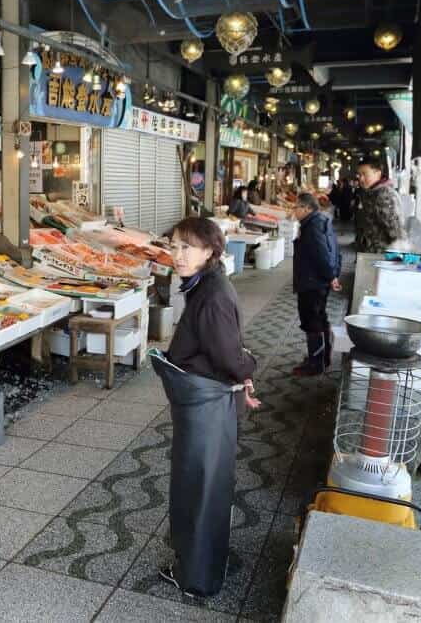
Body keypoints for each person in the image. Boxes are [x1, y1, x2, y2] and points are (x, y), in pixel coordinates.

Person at [152, 217, 259, 599]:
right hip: (203, 399)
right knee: (201, 481)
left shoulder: (212, 295)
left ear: (210, 251)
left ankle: (198, 577)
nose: (177, 255)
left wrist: (248, 368)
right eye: (174, 246)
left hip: (206, 404)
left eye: (187, 247)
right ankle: (203, 563)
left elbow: (229, 356)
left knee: (200, 483)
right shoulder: (204, 284)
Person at [291, 193, 342, 376]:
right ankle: (322, 358)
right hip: (318, 280)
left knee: (312, 321)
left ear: (306, 208)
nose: (294, 211)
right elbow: (336, 250)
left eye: (296, 207)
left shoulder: (312, 226)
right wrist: (333, 274)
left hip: (312, 282)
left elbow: (322, 254)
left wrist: (331, 275)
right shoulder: (321, 221)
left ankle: (316, 363)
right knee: (319, 318)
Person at [354, 162, 404, 253]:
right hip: (369, 251)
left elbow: (396, 230)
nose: (361, 178)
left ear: (378, 173)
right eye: (359, 175)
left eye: (365, 174)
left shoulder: (384, 195)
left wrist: (395, 256)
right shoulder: (370, 193)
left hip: (380, 254)